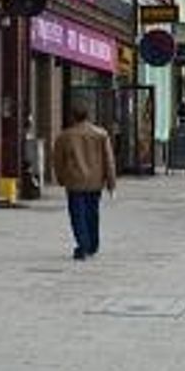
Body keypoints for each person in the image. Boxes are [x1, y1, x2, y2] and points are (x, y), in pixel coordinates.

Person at [53, 100, 116, 261]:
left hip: (74, 182)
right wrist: (111, 183)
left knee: (77, 215)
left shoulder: (65, 136)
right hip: (95, 182)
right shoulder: (101, 134)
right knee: (92, 213)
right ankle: (92, 245)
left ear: (72, 116)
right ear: (88, 115)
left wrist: (61, 178)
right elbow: (109, 160)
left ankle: (83, 245)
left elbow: (58, 161)